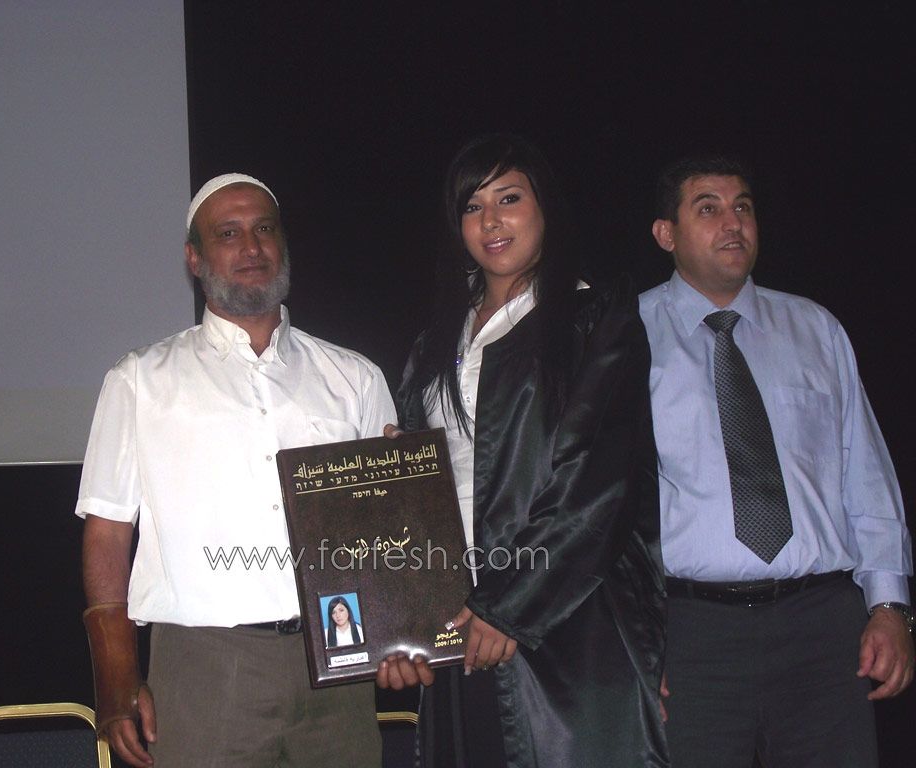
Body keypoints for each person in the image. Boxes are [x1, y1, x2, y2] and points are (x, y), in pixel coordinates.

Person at [77, 173, 396, 768]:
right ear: (194, 258)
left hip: (339, 660)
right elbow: (107, 535)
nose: (251, 247)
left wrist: (403, 629)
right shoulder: (140, 380)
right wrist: (116, 675)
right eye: (228, 234)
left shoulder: (354, 377)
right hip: (203, 668)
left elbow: (383, 524)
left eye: (264, 229)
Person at [386, 134, 668, 767]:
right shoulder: (437, 339)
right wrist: (399, 620)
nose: (490, 221)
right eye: (472, 206)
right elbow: (425, 483)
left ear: (545, 207)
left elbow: (596, 483)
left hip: (565, 620)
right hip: (456, 617)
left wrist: (508, 606)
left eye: (508, 199)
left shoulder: (594, 317)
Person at [639, 154, 915, 768]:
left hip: (822, 628)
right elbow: (604, 504)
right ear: (666, 233)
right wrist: (632, 639)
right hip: (690, 635)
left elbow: (866, 475)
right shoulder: (625, 336)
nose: (732, 222)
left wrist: (890, 605)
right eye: (707, 208)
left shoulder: (815, 327)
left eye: (742, 206)